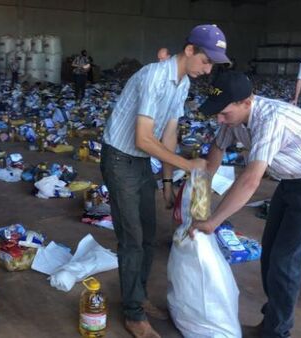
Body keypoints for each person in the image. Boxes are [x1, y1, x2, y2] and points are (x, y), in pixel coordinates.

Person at [190, 71, 301, 338]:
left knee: (285, 261)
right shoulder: (232, 118)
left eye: (224, 113)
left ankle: (277, 332)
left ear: (246, 102)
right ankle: (272, 321)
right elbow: (216, 149)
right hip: (291, 178)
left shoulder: (271, 119)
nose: (220, 118)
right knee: (270, 254)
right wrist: (200, 198)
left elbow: (250, 181)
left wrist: (213, 222)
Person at [101, 24, 230, 338]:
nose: (208, 68)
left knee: (147, 235)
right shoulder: (155, 76)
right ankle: (132, 314)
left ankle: (139, 296)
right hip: (120, 159)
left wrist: (168, 183)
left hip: (141, 162)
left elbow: (169, 134)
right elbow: (144, 139)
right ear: (189, 50)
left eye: (213, 63)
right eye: (206, 60)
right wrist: (188, 164)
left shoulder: (182, 83)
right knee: (132, 239)